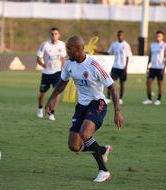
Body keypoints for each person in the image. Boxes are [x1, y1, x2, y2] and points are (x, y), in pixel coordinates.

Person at [45, 36, 124, 182]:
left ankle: (103, 171)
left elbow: (112, 88)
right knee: (74, 146)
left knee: (85, 133)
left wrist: (117, 111)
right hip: (81, 106)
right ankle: (102, 150)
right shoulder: (69, 64)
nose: (66, 51)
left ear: (79, 49)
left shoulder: (94, 65)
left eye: (69, 49)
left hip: (97, 103)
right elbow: (62, 83)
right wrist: (51, 99)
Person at [36, 27, 67, 120]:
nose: (54, 36)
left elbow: (63, 58)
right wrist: (43, 64)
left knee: (57, 93)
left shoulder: (62, 44)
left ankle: (51, 112)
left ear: (59, 35)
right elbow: (38, 58)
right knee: (42, 94)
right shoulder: (45, 45)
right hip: (46, 73)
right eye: (52, 34)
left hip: (57, 72)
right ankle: (40, 108)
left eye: (56, 34)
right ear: (50, 35)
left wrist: (63, 68)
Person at [142, 30, 166, 106]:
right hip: (152, 67)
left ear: (162, 37)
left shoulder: (165, 45)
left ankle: (158, 99)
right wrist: (147, 65)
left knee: (160, 84)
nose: (158, 37)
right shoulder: (152, 45)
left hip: (160, 68)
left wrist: (164, 68)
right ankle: (149, 99)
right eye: (157, 36)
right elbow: (150, 56)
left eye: (159, 36)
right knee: (148, 82)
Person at [105, 30, 132, 105]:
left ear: (123, 36)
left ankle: (120, 98)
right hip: (115, 66)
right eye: (118, 35)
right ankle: (108, 97)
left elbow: (127, 57)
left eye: (121, 35)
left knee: (122, 83)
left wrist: (125, 69)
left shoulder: (126, 45)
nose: (120, 36)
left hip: (123, 68)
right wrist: (98, 51)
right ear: (117, 36)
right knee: (109, 82)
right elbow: (108, 53)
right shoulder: (114, 44)